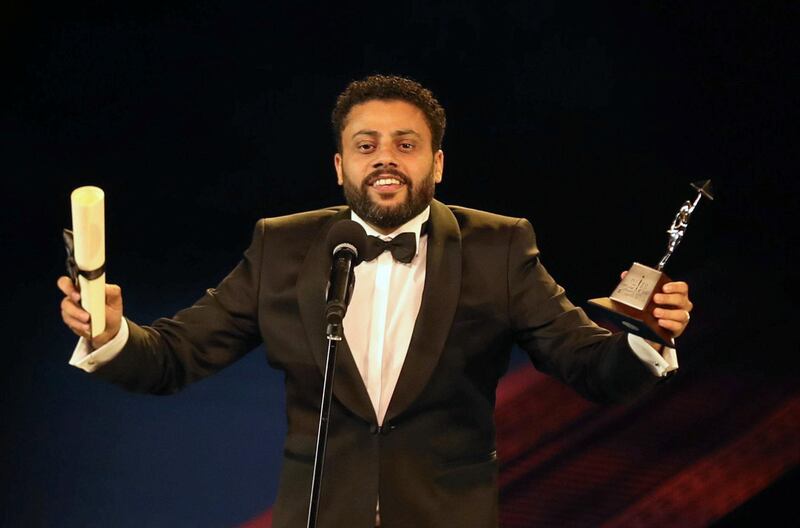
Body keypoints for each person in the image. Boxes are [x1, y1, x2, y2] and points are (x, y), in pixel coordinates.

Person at [58, 74, 693, 527]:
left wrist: (646, 338)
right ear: (339, 165)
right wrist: (111, 333)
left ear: (438, 163)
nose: (385, 159)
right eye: (366, 145)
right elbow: (174, 357)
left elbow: (586, 363)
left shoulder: (500, 245)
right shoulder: (283, 246)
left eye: (405, 144)